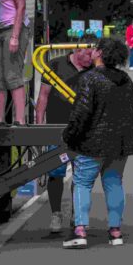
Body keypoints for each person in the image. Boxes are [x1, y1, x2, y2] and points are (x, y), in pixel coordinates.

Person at [62, 37, 133, 248]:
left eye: (96, 49)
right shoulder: (125, 79)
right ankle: (115, 232)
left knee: (82, 182)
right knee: (114, 183)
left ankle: (80, 230)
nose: (93, 51)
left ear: (100, 54)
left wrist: (69, 136)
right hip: (120, 143)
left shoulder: (90, 79)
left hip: (92, 143)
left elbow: (81, 113)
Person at [36, 46, 94, 233]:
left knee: (81, 175)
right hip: (57, 127)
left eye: (94, 53)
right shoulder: (56, 64)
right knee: (55, 172)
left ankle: (76, 215)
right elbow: (43, 96)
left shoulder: (93, 69)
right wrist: (39, 127)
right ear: (77, 50)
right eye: (88, 53)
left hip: (83, 130)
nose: (91, 57)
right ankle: (56, 214)